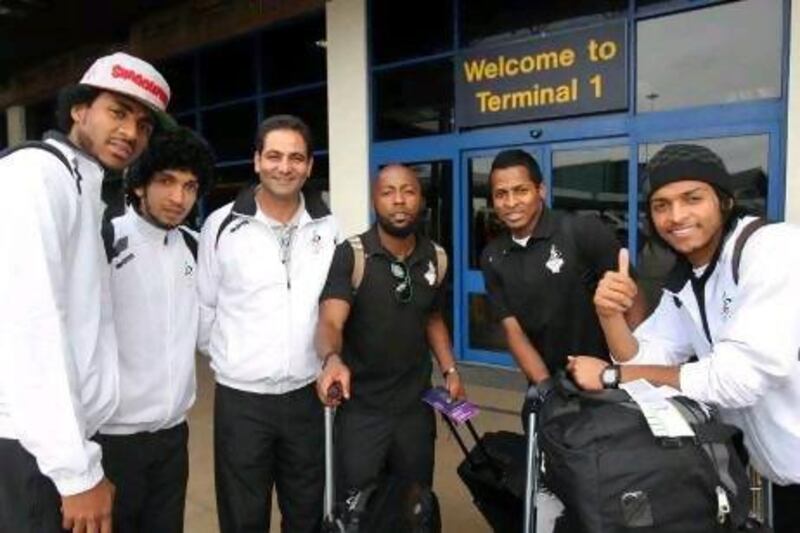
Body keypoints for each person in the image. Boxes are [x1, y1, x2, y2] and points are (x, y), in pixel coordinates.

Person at [568, 143, 800, 533]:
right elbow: (642, 357)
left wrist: (610, 377)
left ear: (723, 201)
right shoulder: (689, 279)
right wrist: (609, 315)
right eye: (661, 205)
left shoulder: (772, 249)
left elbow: (735, 380)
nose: (676, 216)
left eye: (693, 198)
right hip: (783, 474)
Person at [0, 52, 172, 533]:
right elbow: (27, 328)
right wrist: (76, 473)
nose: (131, 133)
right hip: (34, 449)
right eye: (117, 112)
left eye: (143, 124)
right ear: (79, 110)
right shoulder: (35, 175)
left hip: (59, 444)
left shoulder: (83, 189)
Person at [197, 114, 339, 533]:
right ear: (256, 161)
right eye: (274, 156)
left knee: (306, 514)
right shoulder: (221, 226)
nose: (285, 166)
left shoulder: (329, 227)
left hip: (307, 398)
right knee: (243, 518)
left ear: (310, 166)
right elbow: (205, 311)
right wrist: (239, 358)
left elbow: (335, 306)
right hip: (242, 402)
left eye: (296, 157)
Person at [316, 164, 465, 493]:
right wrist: (331, 359)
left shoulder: (436, 256)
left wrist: (450, 370)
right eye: (388, 192)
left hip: (415, 409)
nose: (399, 200)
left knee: (415, 505)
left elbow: (433, 317)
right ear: (374, 201)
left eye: (408, 191)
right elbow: (330, 319)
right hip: (361, 411)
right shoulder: (352, 254)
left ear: (421, 199)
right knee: (358, 508)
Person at [96, 127, 215, 533]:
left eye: (190, 185)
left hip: (172, 437)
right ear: (140, 183)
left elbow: (209, 330)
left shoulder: (195, 247)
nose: (179, 198)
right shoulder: (105, 241)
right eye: (166, 181)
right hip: (111, 440)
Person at [479, 149, 644, 422]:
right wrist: (545, 388)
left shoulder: (581, 231)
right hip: (549, 389)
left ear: (540, 190)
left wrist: (632, 370)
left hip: (605, 387)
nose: (511, 202)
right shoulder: (493, 256)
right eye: (501, 194)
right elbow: (513, 331)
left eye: (521, 191)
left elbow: (633, 299)